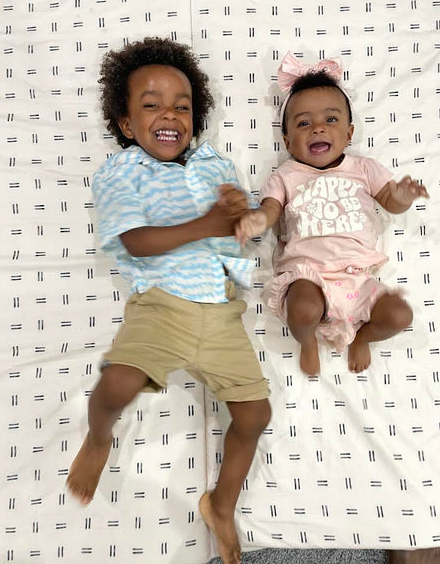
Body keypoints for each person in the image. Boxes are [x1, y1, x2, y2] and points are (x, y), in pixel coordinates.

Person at [66, 37, 271, 564]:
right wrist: (207, 222)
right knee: (116, 383)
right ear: (128, 124)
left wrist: (242, 218)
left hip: (222, 311)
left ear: (195, 120)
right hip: (162, 304)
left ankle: (221, 503)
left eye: (182, 106)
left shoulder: (215, 164)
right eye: (151, 103)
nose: (170, 115)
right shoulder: (122, 171)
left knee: (254, 414)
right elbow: (136, 240)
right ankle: (98, 435)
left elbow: (242, 229)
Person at [236, 51, 428, 376]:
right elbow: (270, 209)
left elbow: (390, 201)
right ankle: (307, 341)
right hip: (307, 275)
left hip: (358, 278)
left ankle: (361, 337)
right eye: (304, 123)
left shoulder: (364, 169)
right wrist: (257, 219)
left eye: (331, 120)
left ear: (349, 134)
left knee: (399, 316)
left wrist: (403, 196)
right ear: (287, 141)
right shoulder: (285, 175)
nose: (318, 129)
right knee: (303, 309)